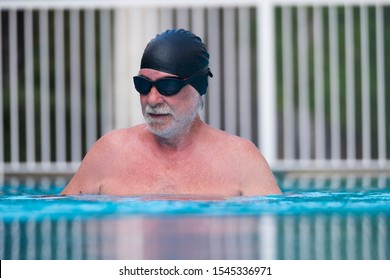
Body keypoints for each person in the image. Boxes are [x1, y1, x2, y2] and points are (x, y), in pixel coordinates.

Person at [61, 29, 281, 197]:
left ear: (198, 87)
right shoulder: (109, 153)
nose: (152, 99)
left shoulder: (241, 160)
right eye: (143, 85)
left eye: (167, 86)